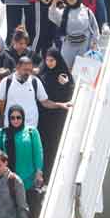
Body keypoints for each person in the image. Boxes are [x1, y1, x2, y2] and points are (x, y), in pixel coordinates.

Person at [0, 56, 70, 131]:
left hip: (30, 127)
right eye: (25, 69)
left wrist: (60, 105)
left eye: (30, 70)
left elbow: (45, 102)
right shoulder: (7, 81)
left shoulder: (35, 81)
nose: (28, 72)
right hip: (10, 125)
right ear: (17, 68)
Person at [0, 105, 44, 204]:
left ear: (23, 117)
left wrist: (39, 172)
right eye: (12, 118)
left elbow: (38, 152)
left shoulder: (31, 132)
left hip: (28, 178)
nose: (15, 120)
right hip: (8, 178)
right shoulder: (3, 132)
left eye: (18, 117)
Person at [35, 49, 73, 179]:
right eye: (47, 60)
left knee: (53, 143)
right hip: (43, 115)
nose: (49, 63)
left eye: (52, 60)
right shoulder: (42, 73)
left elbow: (69, 91)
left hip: (56, 116)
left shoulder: (62, 74)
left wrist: (65, 85)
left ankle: (51, 173)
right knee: (42, 144)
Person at [50, 0, 100, 69]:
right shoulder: (63, 11)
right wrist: (54, 3)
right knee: (67, 70)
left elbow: (95, 28)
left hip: (84, 46)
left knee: (81, 71)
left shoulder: (86, 11)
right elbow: (52, 15)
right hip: (68, 46)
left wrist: (94, 43)